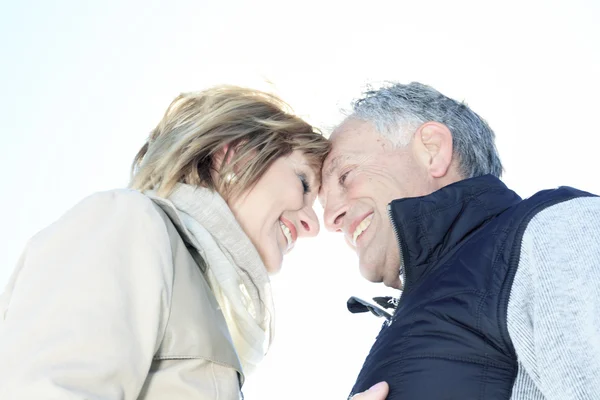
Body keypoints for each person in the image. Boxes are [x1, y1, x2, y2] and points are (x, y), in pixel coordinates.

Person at [0, 85, 334, 399]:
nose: (312, 224)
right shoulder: (131, 222)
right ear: (235, 155)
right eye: (304, 184)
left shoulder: (209, 303)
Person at [319, 82, 600, 399]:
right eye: (323, 202)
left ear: (433, 150)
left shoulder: (554, 230)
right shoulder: (420, 314)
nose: (330, 217)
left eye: (345, 175)